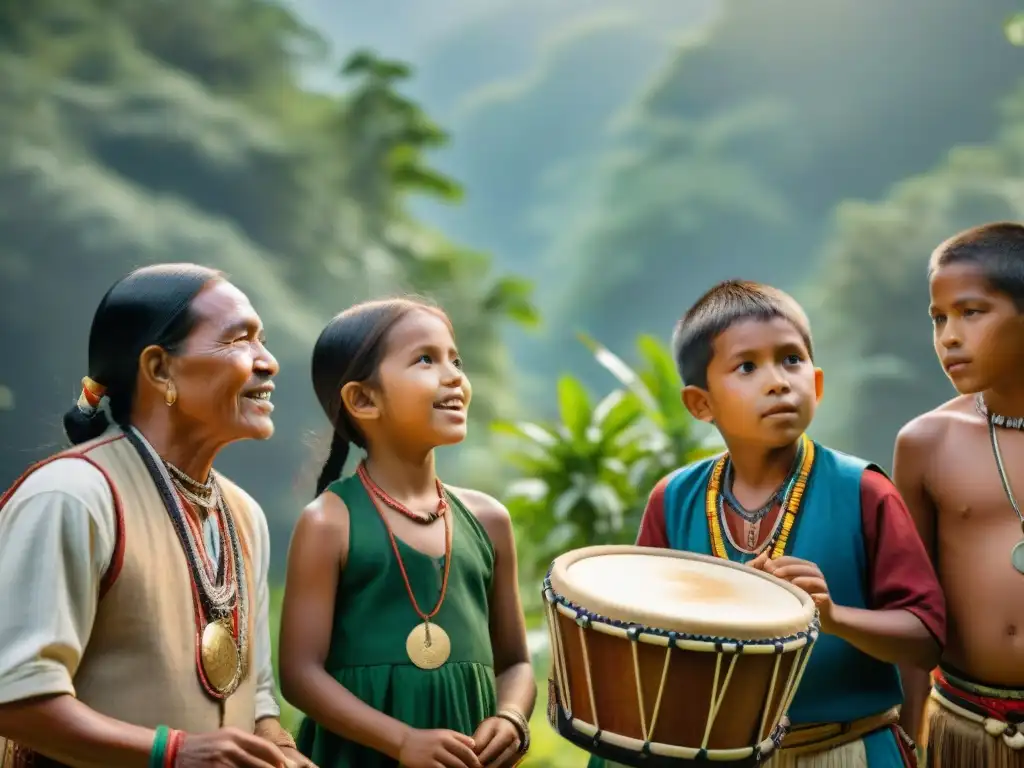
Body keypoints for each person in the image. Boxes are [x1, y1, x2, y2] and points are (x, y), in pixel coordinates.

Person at [589, 280, 946, 768]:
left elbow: (926, 638)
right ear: (701, 404)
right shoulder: (673, 501)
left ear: (816, 384)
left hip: (848, 750)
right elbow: (639, 643)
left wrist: (834, 615)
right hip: (708, 754)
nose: (778, 380)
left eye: (791, 360)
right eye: (747, 367)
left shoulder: (864, 491)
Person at [0, 264, 313, 768]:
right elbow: (13, 697)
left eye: (263, 340)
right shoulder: (71, 495)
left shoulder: (244, 515)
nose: (268, 362)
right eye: (239, 340)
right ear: (160, 369)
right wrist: (171, 753)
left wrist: (279, 749)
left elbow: (255, 697)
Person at [278, 297, 536, 768]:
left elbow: (516, 663)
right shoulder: (329, 523)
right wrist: (401, 741)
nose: (454, 375)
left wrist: (513, 718)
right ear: (363, 399)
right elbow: (299, 675)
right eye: (425, 360)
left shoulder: (489, 520)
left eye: (456, 360)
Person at [894, 222, 1024, 768]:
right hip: (966, 726)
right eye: (938, 318)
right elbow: (909, 608)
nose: (949, 336)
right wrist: (908, 735)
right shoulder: (927, 443)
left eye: (971, 312)